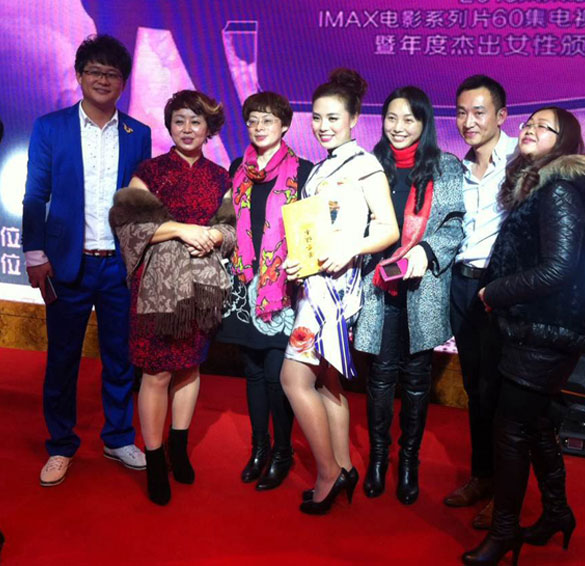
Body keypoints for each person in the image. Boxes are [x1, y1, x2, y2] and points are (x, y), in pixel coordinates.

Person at [462, 107, 585, 565]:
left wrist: (494, 292)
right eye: (528, 123)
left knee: (511, 429)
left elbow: (558, 269)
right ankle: (556, 513)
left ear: (564, 142)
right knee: (537, 423)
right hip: (539, 325)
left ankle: (504, 532)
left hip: (550, 329)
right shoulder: (539, 185)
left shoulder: (560, 189)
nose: (530, 129)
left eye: (543, 127)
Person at [22, 34, 151, 487]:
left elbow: (140, 205)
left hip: (118, 267)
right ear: (79, 75)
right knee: (62, 359)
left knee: (120, 358)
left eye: (111, 73)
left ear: (123, 83)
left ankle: (118, 437)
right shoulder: (50, 127)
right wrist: (35, 254)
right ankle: (60, 444)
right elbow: (35, 195)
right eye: (94, 71)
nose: (102, 79)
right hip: (66, 265)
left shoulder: (138, 134)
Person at [280, 68, 399, 515]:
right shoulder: (321, 168)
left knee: (293, 379)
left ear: (353, 119)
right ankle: (345, 467)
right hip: (314, 285)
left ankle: (327, 473)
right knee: (327, 381)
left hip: (335, 291)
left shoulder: (365, 165)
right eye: (317, 117)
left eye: (333, 117)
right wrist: (300, 263)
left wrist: (351, 248)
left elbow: (387, 228)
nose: (323, 125)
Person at [110, 90, 235, 505]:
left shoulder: (220, 176)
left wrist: (213, 235)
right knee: (157, 372)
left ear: (208, 128)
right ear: (169, 126)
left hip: (201, 289)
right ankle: (153, 458)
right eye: (179, 120)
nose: (187, 129)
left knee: (189, 367)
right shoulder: (150, 171)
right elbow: (128, 224)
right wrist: (183, 229)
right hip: (157, 292)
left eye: (196, 122)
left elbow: (231, 229)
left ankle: (178, 448)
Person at [354, 86, 463, 505]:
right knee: (380, 377)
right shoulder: (370, 165)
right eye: (391, 118)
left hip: (422, 287)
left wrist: (426, 250)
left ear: (424, 122)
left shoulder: (445, 167)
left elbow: (454, 226)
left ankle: (409, 462)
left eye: (409, 119)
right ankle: (379, 459)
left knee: (417, 380)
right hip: (377, 288)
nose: (398, 127)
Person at [218, 92, 312, 490]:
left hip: (281, 287)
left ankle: (283, 452)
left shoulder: (303, 171)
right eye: (253, 120)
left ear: (285, 125)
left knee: (276, 375)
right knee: (253, 372)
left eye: (268, 120)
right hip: (244, 282)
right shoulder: (237, 167)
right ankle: (260, 448)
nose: (259, 127)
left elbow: (309, 232)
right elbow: (228, 220)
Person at [446, 75, 518, 529]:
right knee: (475, 387)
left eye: (478, 112)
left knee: (504, 393)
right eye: (461, 112)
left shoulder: (522, 160)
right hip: (461, 286)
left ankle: (507, 495)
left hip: (502, 289)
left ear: (501, 116)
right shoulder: (456, 168)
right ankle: (482, 476)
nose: (468, 121)